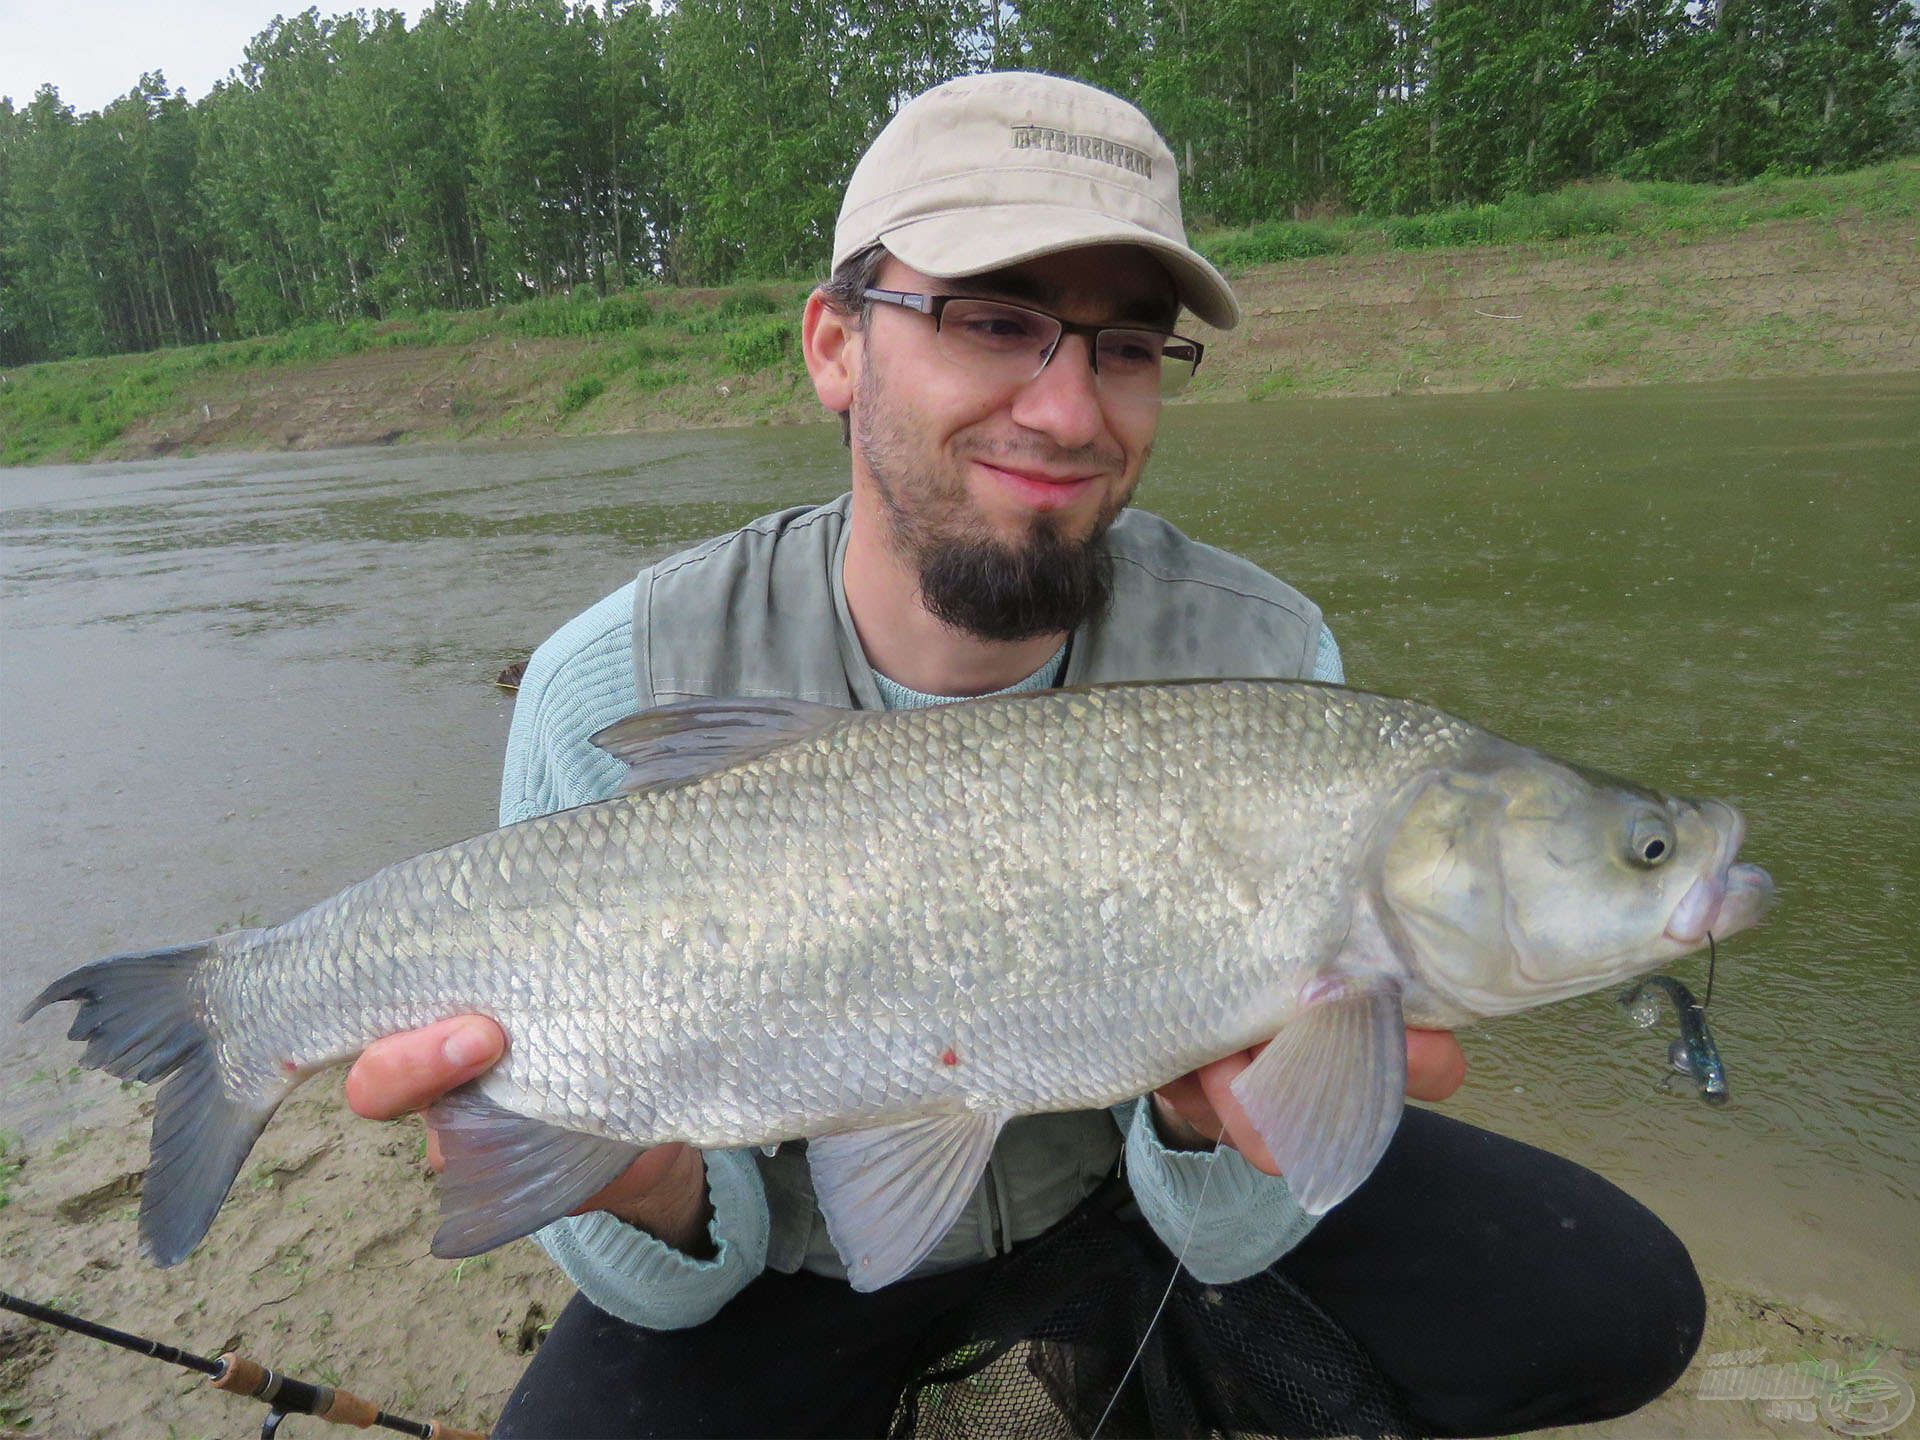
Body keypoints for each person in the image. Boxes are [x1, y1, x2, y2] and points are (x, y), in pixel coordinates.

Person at [342, 73, 1705, 1437]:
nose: (1065, 412)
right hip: (790, 1253)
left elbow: (1232, 1238)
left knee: (1620, 1297)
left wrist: (1204, 1128)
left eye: (1123, 348)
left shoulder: (1265, 658)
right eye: (992, 322)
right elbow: (672, 1293)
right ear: (834, 345)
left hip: (1115, 1212)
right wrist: (643, 1185)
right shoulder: (610, 680)